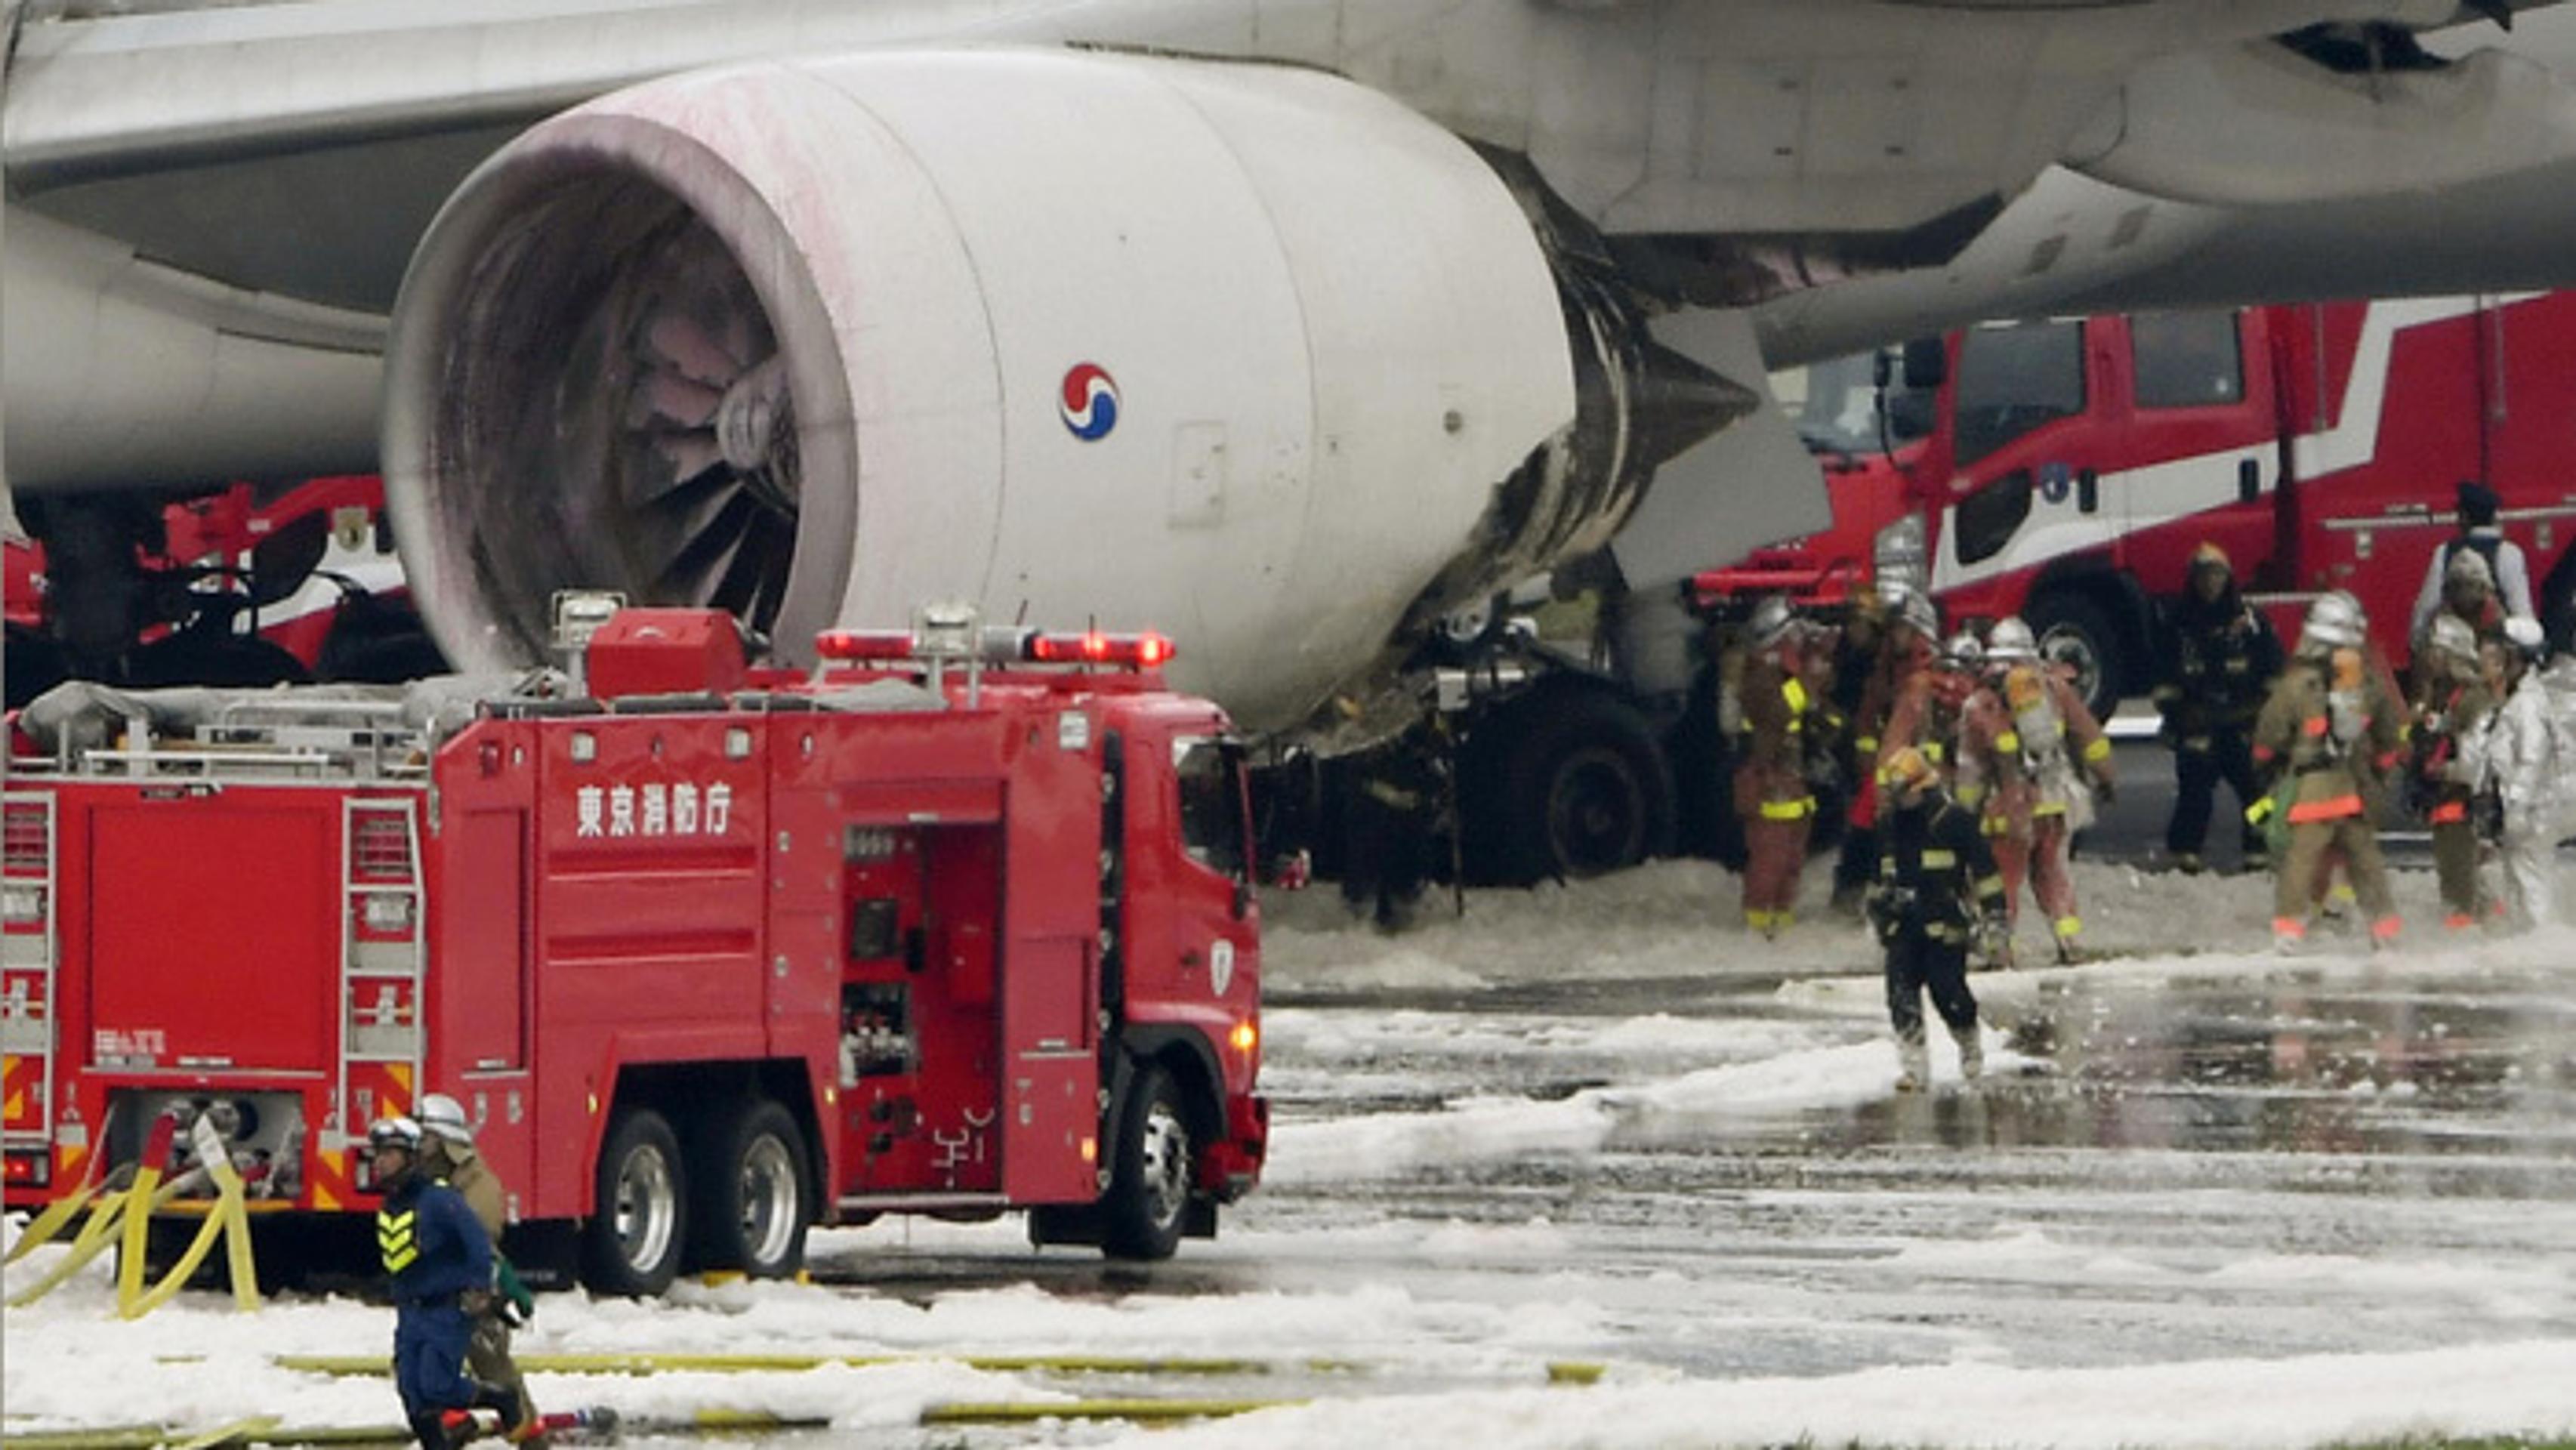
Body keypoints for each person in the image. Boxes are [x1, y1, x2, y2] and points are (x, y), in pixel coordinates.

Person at [2253, 593, 2407, 952]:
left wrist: (2266, 764)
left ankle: (2289, 930)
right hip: (2353, 789)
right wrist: (2380, 774)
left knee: (2301, 860)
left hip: (2313, 791)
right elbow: (2389, 739)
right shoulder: (2366, 684)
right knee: (2365, 861)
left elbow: (2269, 736)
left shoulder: (2296, 684)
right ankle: (2384, 928)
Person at [369, 1115, 526, 1450]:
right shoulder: (393, 1204)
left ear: (411, 1157)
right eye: (378, 1154)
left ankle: (501, 1398)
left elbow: (478, 1243)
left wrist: (481, 1290)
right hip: (411, 1311)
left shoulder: (440, 1200)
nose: (381, 1162)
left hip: (447, 1308)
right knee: (412, 1391)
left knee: (437, 1385)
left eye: (390, 1154)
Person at [1867, 745, 2009, 1092]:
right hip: (1902, 925)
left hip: (1945, 924)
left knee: (1948, 992)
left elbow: (1986, 872)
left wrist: (1994, 919)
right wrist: (1879, 911)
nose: (1895, 800)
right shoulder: (1888, 825)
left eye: (1900, 792)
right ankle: (1914, 1068)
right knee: (1900, 995)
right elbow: (1878, 873)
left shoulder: (1953, 821)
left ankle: (1969, 1043)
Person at [1973, 617, 2115, 963]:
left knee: (2004, 880)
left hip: (2010, 807)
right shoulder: (2054, 688)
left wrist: (1966, 807)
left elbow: (1971, 762)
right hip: (2055, 800)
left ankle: (2001, 950)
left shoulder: (1983, 696)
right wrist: (2106, 778)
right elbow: (2089, 737)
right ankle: (2071, 943)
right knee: (2053, 874)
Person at [418, 1094, 542, 1447]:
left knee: (494, 1370)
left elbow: (478, 1244)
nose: (418, 1147)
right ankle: (455, 1424)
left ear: (445, 1142)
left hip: (475, 1293)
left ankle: (530, 1438)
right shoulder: (429, 1182)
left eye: (425, 1138)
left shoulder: (477, 1184)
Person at [2152, 543, 2282, 874]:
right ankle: (2186, 853)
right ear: (2192, 580)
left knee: (2257, 791)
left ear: (2228, 578)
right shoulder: (2178, 625)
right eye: (2203, 576)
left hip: (2243, 723)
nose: (2210, 583)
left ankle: (2259, 851)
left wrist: (2261, 714)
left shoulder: (2250, 624)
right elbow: (2163, 678)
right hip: (2197, 724)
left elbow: (2273, 672)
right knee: (2195, 791)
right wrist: (2179, 715)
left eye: (2217, 575)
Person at [1735, 597, 1828, 937]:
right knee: (1770, 861)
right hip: (1769, 781)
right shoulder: (1760, 676)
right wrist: (1807, 680)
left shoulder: (1781, 674)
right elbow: (1778, 713)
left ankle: (1782, 927)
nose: (1799, 641)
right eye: (1794, 635)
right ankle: (1758, 930)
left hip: (1790, 780)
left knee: (1791, 861)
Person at [2466, 616, 2564, 931]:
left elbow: (2532, 758)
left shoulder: (2528, 704)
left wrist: (2518, 804)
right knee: (2517, 877)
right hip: (2517, 807)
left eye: (2498, 655)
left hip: (2533, 809)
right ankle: (2526, 932)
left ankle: (2541, 935)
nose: (2490, 662)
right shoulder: (2512, 701)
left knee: (2530, 877)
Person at [2408, 613, 2497, 931]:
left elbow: (2478, 754)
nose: (2431, 659)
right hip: (2442, 794)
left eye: (2438, 652)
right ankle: (2487, 912)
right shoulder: (2439, 694)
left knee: (2457, 865)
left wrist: (2447, 769)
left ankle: (2464, 922)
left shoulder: (2473, 698)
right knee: (2454, 861)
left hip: (2463, 796)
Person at [2409, 481, 2534, 642]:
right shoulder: (2510, 553)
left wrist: (2417, 640)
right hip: (2494, 646)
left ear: (2464, 517)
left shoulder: (2445, 552)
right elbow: (2521, 611)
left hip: (2456, 644)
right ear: (2493, 517)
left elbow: (2427, 607)